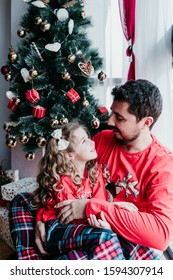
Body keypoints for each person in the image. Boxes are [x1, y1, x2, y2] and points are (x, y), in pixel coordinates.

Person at [9, 79, 173, 260]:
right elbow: (65, 177)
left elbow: (161, 235)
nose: (110, 121)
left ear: (145, 122)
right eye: (112, 113)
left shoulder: (162, 164)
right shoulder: (104, 139)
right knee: (21, 200)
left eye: (119, 118)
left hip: (118, 236)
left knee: (98, 246)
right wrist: (42, 217)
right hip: (82, 225)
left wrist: (90, 207)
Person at [32, 122, 137, 258]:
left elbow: (99, 203)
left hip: (83, 226)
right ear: (70, 155)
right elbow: (70, 216)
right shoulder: (63, 181)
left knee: (127, 241)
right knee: (106, 235)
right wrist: (102, 219)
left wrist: (112, 209)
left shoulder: (95, 172)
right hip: (57, 228)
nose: (92, 142)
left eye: (88, 137)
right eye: (84, 141)